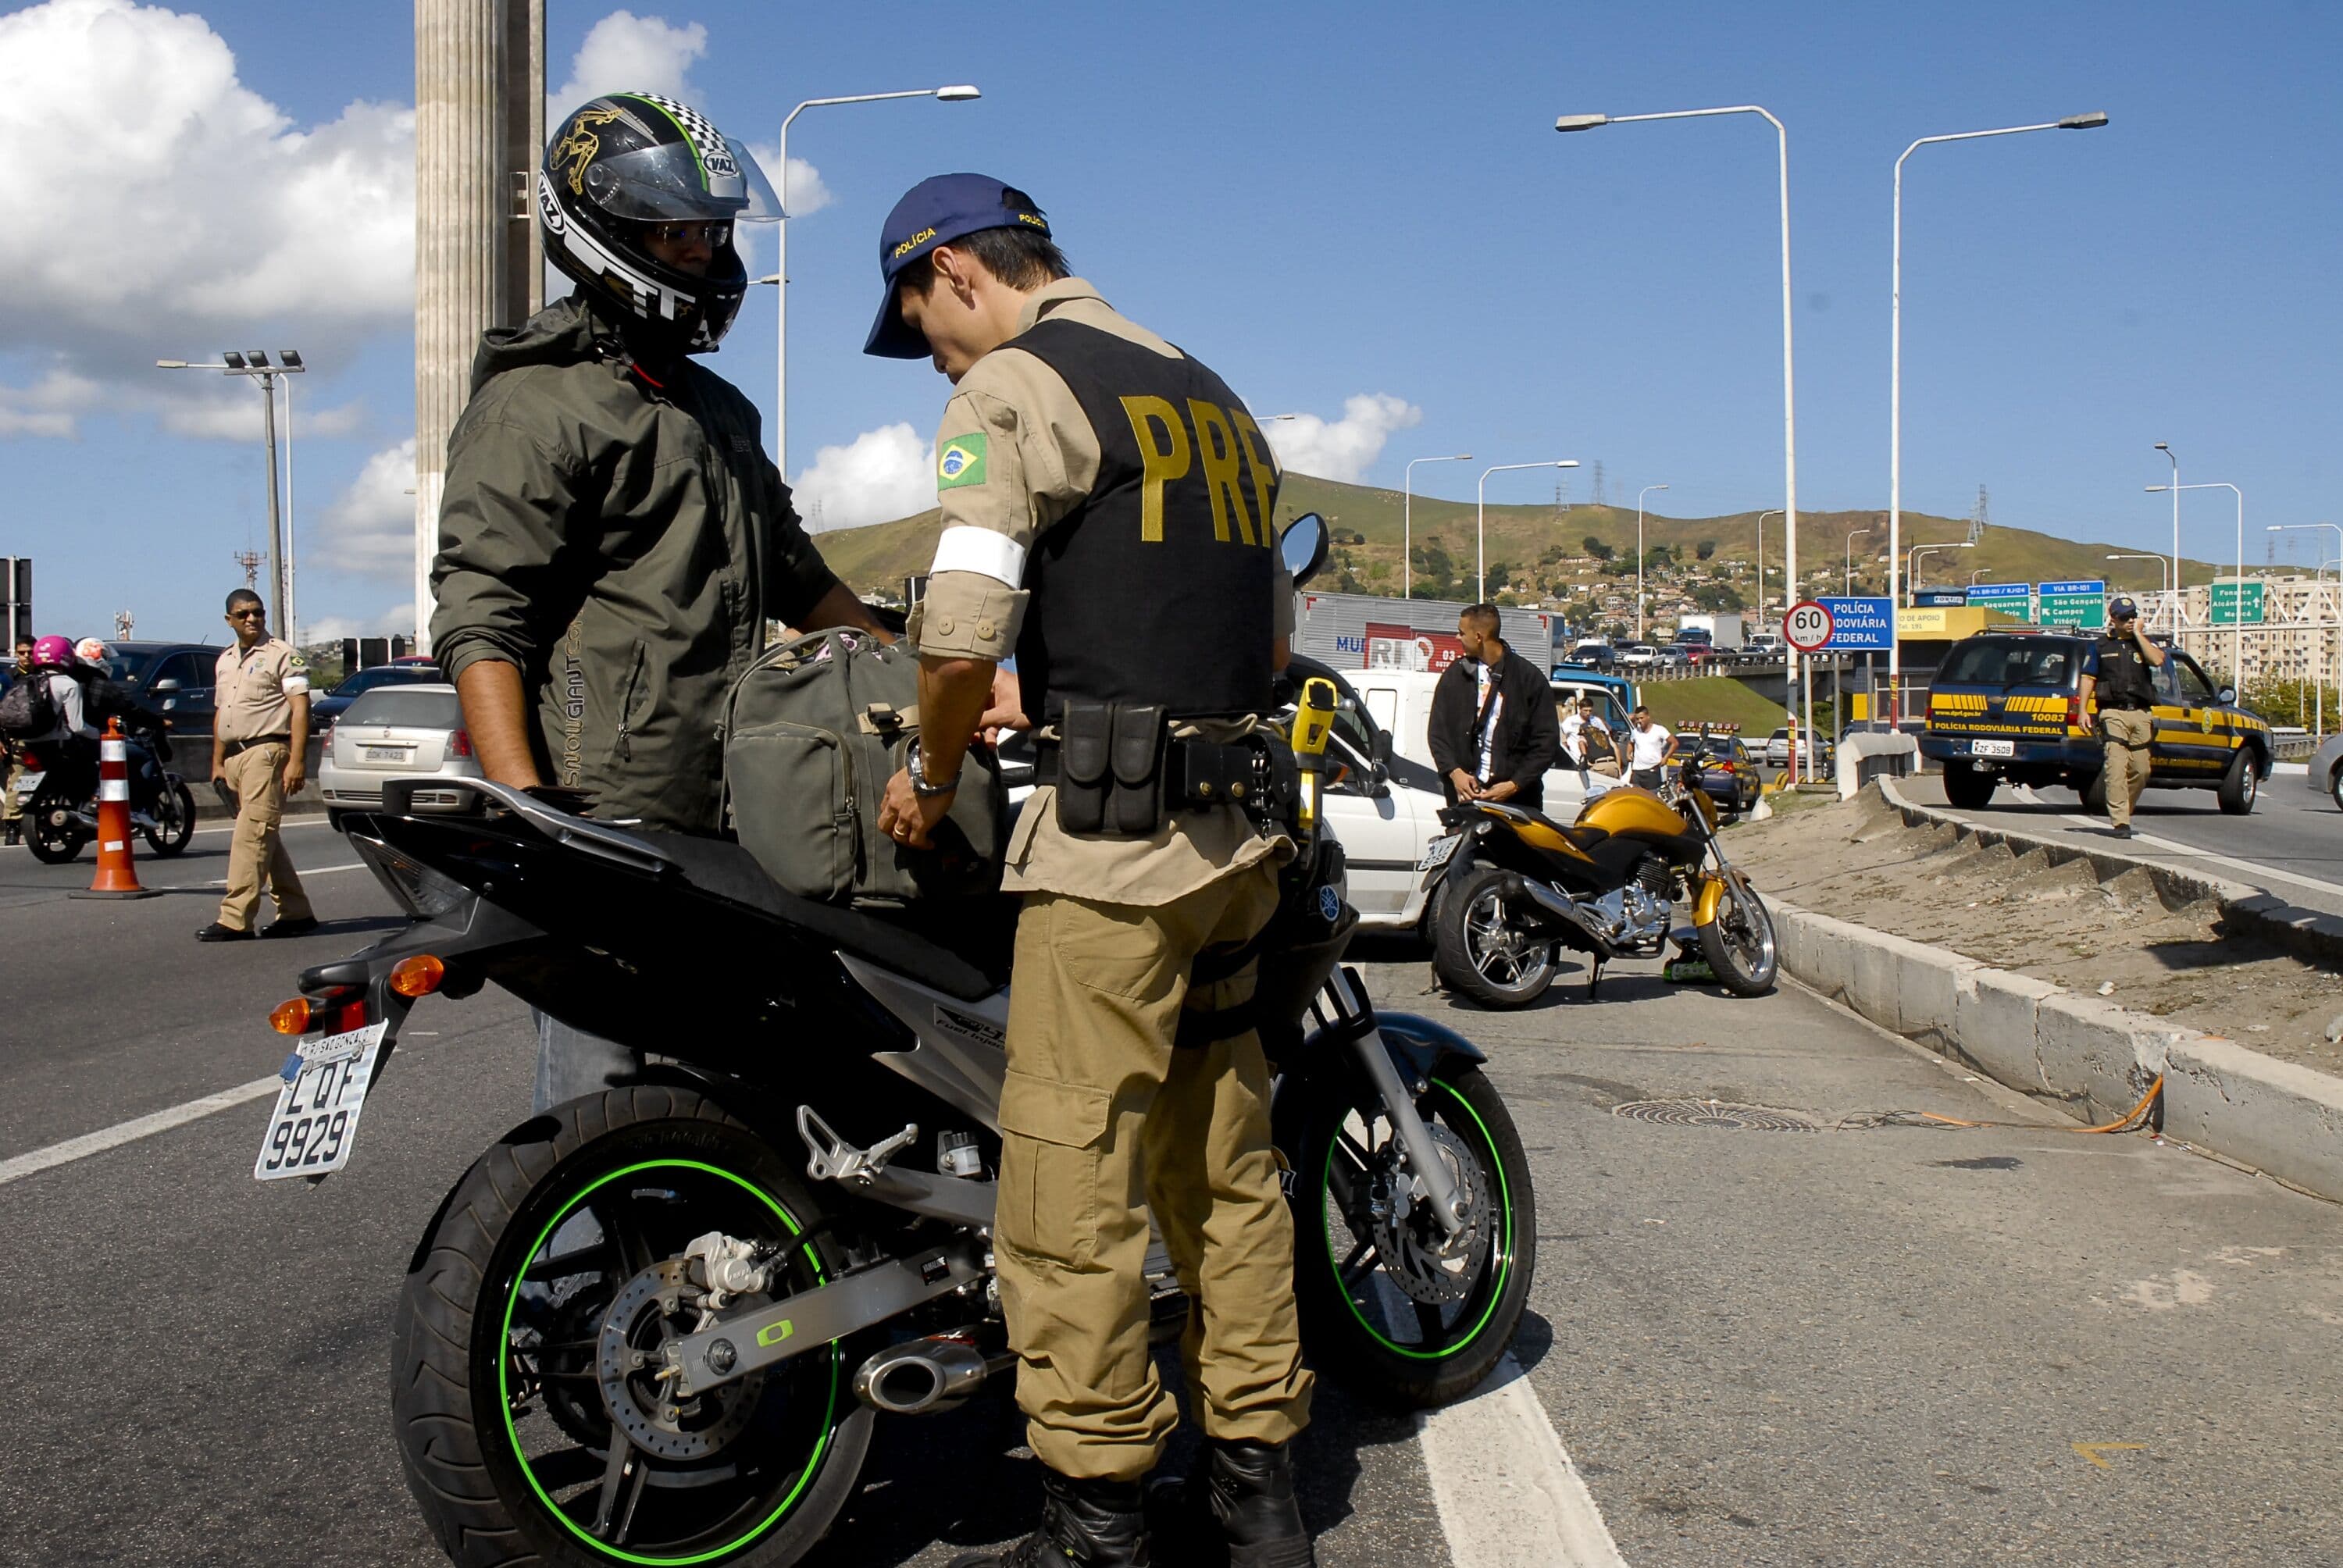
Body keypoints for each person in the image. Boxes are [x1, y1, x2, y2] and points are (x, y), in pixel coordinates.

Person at [865, 173, 1315, 1568]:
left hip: (1114, 863)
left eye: (924, 327)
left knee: (1070, 1185)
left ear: (953, 271)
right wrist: (1060, 707)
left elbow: (956, 636)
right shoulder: (1206, 390)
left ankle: (1097, 1512)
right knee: (1227, 1169)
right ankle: (1257, 1488)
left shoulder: (1015, 385)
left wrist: (932, 775)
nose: (938, 357)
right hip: (1239, 845)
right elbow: (1246, 626)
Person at [430, 92, 889, 1109]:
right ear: (606, 235)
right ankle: (575, 1263)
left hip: (734, 806)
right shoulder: (538, 401)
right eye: (679, 234)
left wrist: (926, 672)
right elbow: (481, 607)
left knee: (743, 1076)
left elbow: (801, 577)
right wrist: (526, 800)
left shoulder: (715, 409)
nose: (706, 254)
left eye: (713, 231)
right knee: (607, 1090)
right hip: (605, 810)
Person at [198, 590, 316, 942]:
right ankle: (296, 912)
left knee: (250, 838)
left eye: (258, 613)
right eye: (243, 614)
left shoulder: (282, 655)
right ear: (229, 620)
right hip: (235, 756)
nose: (252, 619)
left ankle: (235, 919)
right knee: (263, 836)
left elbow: (300, 707)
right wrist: (218, 761)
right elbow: (223, 712)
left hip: (266, 754)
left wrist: (297, 760)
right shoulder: (225, 660)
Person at [1427, 604, 1560, 810]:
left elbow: (1546, 743)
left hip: (1517, 803)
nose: (1457, 637)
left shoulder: (1529, 679)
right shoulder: (1455, 676)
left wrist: (1514, 785)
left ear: (1479, 636)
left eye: (1462, 633)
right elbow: (1437, 734)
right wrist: (1455, 773)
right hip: (1464, 803)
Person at [2077, 595, 2166, 839]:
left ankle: (2125, 808)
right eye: (2124, 617)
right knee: (2116, 767)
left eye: (2133, 616)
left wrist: (2138, 635)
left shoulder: (2144, 643)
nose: (2129, 621)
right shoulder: (2100, 646)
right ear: (2113, 619)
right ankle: (2120, 822)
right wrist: (2083, 710)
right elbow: (2088, 678)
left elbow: (2158, 660)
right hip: (2113, 712)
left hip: (2140, 712)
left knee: (2141, 769)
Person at [3, 634, 32, 845]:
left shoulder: (45, 674)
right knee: (17, 780)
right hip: (16, 737)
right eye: (22, 653)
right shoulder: (8, 678)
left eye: (30, 652)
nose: (26, 657)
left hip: (45, 735)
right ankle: (12, 825)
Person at [1625, 704, 1678, 791]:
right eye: (1637, 719)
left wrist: (1665, 758)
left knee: (1651, 797)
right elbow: (1631, 743)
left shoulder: (1659, 730)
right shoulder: (1635, 732)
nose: (1639, 721)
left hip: (1652, 771)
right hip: (1637, 771)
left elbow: (1675, 743)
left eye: (1642, 718)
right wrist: (1628, 754)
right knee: (1635, 796)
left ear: (1648, 717)